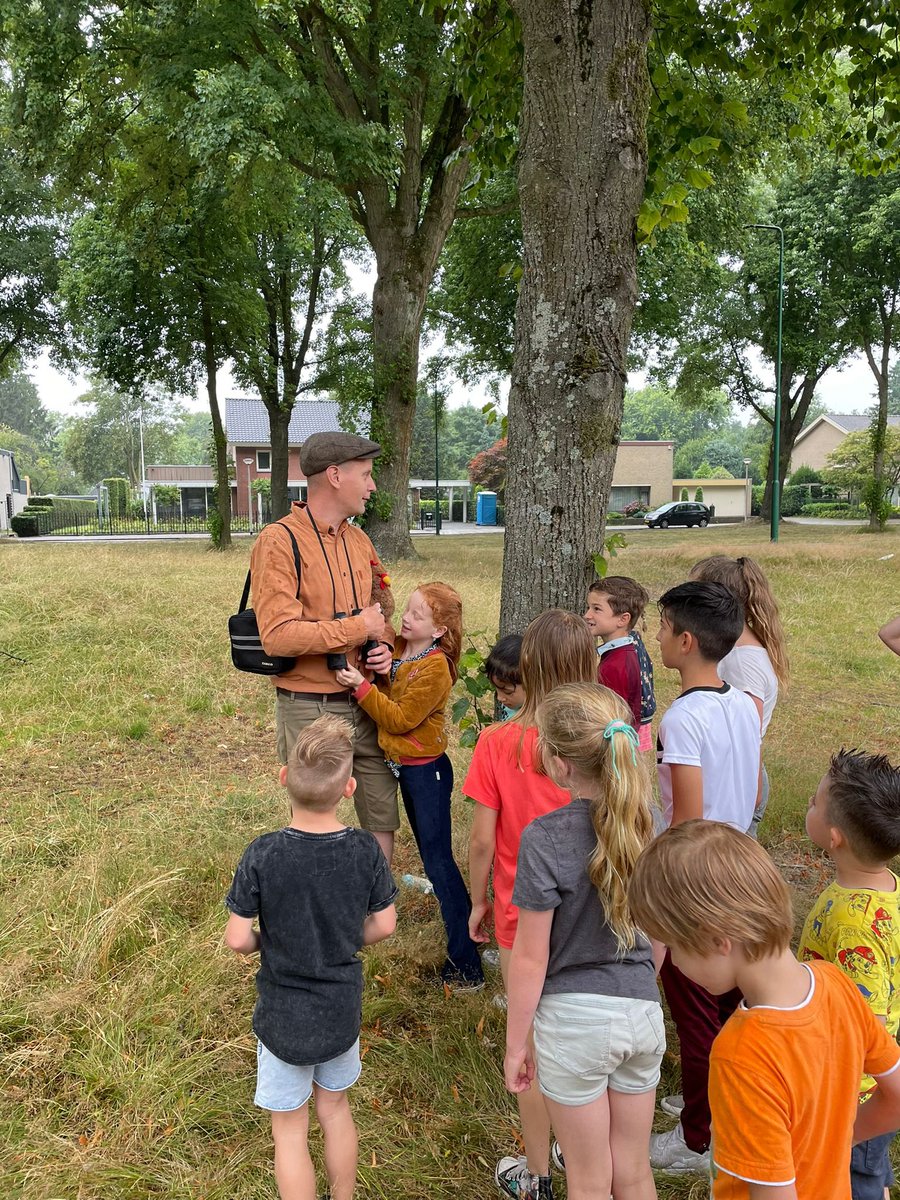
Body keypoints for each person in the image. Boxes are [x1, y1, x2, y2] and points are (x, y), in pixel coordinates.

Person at [629, 820, 900, 1200]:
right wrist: (835, 1144)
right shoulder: (838, 984)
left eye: (675, 947)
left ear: (717, 939)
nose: (673, 964)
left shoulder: (740, 1054)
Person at [224, 714, 398, 1200]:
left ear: (284, 777)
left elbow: (238, 938)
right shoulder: (365, 850)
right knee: (335, 1110)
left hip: (282, 1016)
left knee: (290, 1130)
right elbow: (385, 924)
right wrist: (342, 937)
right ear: (350, 788)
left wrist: (269, 943)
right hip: (340, 1010)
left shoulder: (262, 854)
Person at [505, 683, 662, 1200]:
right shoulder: (648, 827)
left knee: (589, 1179)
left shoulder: (544, 838)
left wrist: (516, 1044)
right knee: (634, 1172)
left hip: (575, 1025)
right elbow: (660, 937)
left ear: (559, 762)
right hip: (643, 1016)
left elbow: (530, 957)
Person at [465, 609, 597, 1200]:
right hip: (596, 914)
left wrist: (476, 903)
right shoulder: (610, 732)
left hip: (525, 915)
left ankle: (539, 1173)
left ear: (530, 667)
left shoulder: (499, 741)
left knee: (534, 1048)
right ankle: (582, 1146)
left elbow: (480, 840)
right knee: (580, 1036)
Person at [651, 580, 762, 1173]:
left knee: (694, 1011)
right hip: (741, 868)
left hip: (699, 879)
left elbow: (687, 818)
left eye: (663, 626)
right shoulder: (743, 701)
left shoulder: (683, 718)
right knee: (732, 1003)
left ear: (686, 640)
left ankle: (699, 1139)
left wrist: (666, 889)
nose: (657, 635)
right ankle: (719, 1096)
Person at [249, 431, 399, 863]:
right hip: (310, 707)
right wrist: (356, 629)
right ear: (334, 475)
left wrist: (383, 645)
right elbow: (277, 635)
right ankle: (320, 904)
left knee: (380, 806)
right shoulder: (279, 541)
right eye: (366, 475)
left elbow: (382, 609)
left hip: (366, 700)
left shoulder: (358, 540)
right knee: (315, 815)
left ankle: (376, 905)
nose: (372, 486)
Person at [336, 582, 484, 992]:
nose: (407, 618)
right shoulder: (402, 648)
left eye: (418, 615)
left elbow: (400, 718)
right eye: (410, 609)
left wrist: (361, 687)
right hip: (408, 769)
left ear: (438, 631)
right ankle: (467, 945)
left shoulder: (436, 667)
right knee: (431, 858)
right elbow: (392, 680)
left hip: (428, 774)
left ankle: (466, 965)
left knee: (439, 864)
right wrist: (381, 669)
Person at [799, 748, 900, 1200]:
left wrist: (844, 1117)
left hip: (852, 1099)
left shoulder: (852, 923)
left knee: (851, 1180)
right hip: (872, 1090)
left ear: (835, 836)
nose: (809, 806)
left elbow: (866, 1028)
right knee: (871, 1177)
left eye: (814, 804)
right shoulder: (885, 886)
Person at [689, 554, 789, 837]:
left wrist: (749, 794)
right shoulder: (731, 651)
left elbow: (748, 735)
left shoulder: (743, 661)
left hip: (738, 779)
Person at [584, 576, 652, 742]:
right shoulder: (630, 650)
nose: (587, 615)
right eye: (588, 607)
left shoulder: (615, 666)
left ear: (623, 619)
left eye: (596, 609)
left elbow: (610, 718)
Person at [485, 634, 525, 719]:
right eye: (497, 689)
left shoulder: (538, 720)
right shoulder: (513, 705)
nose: (499, 698)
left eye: (508, 692)